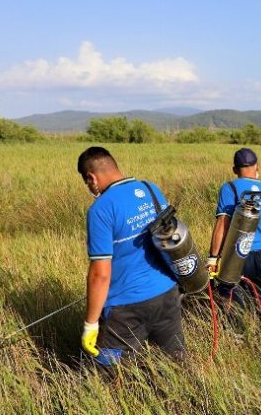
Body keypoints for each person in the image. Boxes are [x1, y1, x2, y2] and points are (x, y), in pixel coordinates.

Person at [77, 146, 185, 367]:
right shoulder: (150, 189)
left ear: (91, 177)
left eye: (87, 182)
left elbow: (100, 275)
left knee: (105, 373)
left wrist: (91, 324)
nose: (90, 187)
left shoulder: (100, 210)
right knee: (175, 365)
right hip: (167, 294)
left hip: (126, 307)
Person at [206, 148, 261, 323]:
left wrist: (213, 258)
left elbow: (223, 223)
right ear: (257, 167)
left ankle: (237, 341)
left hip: (238, 255)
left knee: (232, 302)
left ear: (235, 169)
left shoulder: (230, 188)